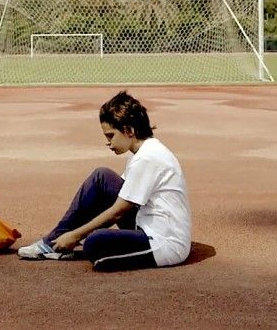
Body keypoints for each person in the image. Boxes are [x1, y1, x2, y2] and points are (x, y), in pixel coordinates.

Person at [17, 90, 191, 271]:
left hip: (164, 243)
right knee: (102, 177)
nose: (108, 143)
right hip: (145, 224)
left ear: (129, 130)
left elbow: (119, 211)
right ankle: (52, 242)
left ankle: (69, 243)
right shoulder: (142, 152)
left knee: (94, 243)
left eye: (110, 136)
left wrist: (75, 235)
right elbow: (111, 197)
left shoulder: (147, 158)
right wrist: (72, 232)